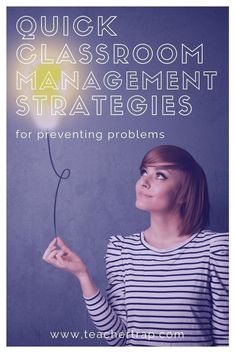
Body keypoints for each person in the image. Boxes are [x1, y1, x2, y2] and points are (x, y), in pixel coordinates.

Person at [42, 144, 229, 346]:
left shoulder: (216, 249)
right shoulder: (121, 249)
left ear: (184, 194)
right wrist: (82, 275)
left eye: (160, 176)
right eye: (144, 172)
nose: (143, 182)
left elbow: (226, 340)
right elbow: (119, 340)